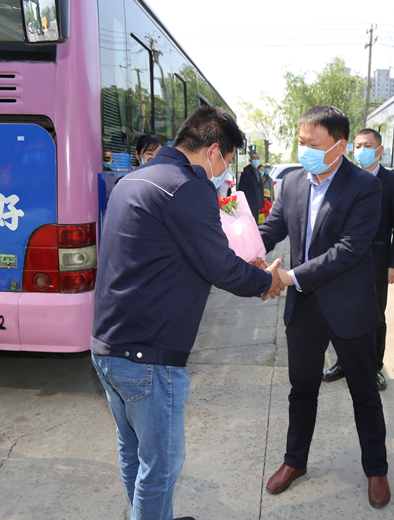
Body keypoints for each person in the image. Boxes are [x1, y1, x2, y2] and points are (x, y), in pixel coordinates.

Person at [90, 106, 284, 520]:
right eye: (226, 162)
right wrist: (265, 281)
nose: (224, 172)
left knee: (133, 452)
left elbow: (177, 252)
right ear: (212, 151)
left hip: (109, 345)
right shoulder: (186, 186)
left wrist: (241, 266)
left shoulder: (134, 179)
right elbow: (219, 266)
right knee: (161, 466)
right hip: (148, 355)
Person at [258, 105, 391, 508]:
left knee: (364, 392)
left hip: (349, 307)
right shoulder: (292, 183)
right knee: (302, 389)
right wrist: (244, 248)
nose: (305, 150)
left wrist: (288, 277)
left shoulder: (364, 186)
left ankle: (377, 469)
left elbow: (349, 250)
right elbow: (273, 228)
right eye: (301, 142)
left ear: (339, 145)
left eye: (313, 144)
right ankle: (294, 461)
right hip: (304, 310)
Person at [322, 128, 394, 391]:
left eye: (367, 145)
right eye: (358, 145)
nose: (361, 150)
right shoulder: (344, 177)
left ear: (379, 150)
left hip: (377, 262)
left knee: (375, 317)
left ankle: (374, 367)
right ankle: (343, 363)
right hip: (343, 261)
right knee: (343, 314)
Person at [239, 152, 262, 217]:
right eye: (254, 158)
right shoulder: (247, 172)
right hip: (249, 204)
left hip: (257, 203)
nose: (256, 160)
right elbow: (241, 188)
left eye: (257, 158)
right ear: (250, 160)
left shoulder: (258, 172)